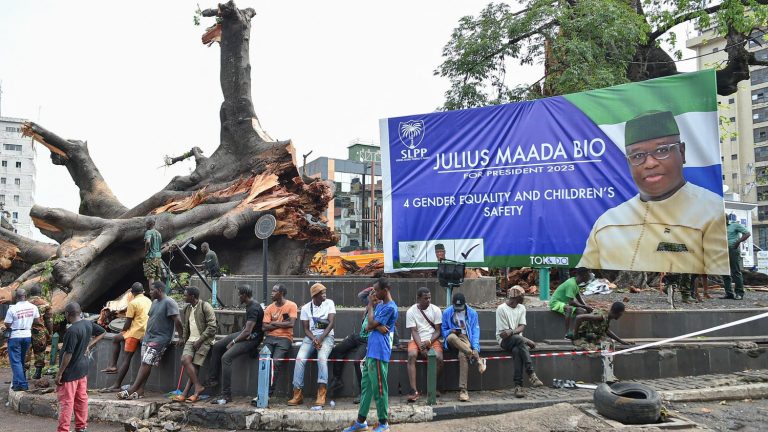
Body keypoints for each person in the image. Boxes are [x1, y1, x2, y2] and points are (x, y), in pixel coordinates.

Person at [578, 110, 729, 274]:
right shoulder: (606, 222)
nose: (649, 163)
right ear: (628, 163)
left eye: (662, 150)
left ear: (682, 152)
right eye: (638, 155)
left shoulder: (711, 212)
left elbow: (717, 280)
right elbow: (586, 276)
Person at [343, 278, 398, 432]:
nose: (373, 293)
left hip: (380, 352)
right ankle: (361, 421)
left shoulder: (390, 308)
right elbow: (369, 326)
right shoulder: (380, 305)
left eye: (376, 290)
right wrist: (376, 324)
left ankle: (383, 423)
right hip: (372, 351)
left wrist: (371, 308)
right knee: (366, 388)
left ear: (385, 290)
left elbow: (369, 325)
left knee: (380, 388)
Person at [118, 281, 182, 400]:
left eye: (152, 290)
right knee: (145, 363)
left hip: (160, 338)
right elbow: (151, 319)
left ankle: (132, 389)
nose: (150, 292)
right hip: (148, 337)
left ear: (159, 290)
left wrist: (182, 337)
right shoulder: (154, 302)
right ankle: (141, 390)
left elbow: (177, 320)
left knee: (146, 362)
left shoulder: (169, 302)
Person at [206, 284, 263, 404]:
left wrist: (233, 341)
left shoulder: (254, 308)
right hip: (244, 334)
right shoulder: (249, 305)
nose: (238, 297)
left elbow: (248, 331)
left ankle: (226, 396)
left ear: (244, 295)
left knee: (226, 357)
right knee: (217, 346)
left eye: (239, 295)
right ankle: (213, 380)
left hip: (251, 339)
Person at [55, 302, 105, 432]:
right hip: (82, 369)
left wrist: (60, 373)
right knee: (81, 399)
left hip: (70, 372)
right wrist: (89, 344)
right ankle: (81, 427)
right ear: (79, 312)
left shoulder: (72, 330)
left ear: (67, 314)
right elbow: (102, 332)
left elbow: (68, 354)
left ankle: (63, 429)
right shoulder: (87, 324)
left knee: (67, 402)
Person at [288, 283, 336, 407]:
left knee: (321, 358)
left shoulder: (329, 303)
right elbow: (305, 329)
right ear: (315, 295)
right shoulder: (305, 308)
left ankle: (321, 392)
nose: (325, 294)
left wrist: (320, 338)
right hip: (311, 337)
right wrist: (314, 339)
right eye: (322, 293)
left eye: (325, 292)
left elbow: (331, 323)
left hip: (326, 336)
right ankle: (297, 394)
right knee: (299, 359)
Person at [101, 282, 152, 392]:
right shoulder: (148, 300)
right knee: (116, 339)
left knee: (126, 358)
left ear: (132, 293)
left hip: (134, 333)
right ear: (143, 291)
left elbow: (128, 322)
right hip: (145, 331)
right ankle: (113, 366)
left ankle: (116, 382)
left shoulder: (133, 303)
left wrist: (123, 330)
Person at [328, 287, 375, 403]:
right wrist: (372, 288)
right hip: (359, 336)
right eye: (370, 295)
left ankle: (362, 392)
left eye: (373, 296)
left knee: (357, 362)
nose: (370, 297)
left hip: (369, 341)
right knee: (337, 350)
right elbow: (360, 295)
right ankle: (337, 379)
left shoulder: (380, 307)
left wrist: (397, 342)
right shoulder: (368, 302)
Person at [496, 286, 543, 398]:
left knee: (517, 350)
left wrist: (513, 332)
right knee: (519, 341)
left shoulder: (521, 308)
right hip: (504, 341)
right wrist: (526, 340)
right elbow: (504, 334)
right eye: (522, 297)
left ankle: (518, 386)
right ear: (516, 298)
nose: (523, 299)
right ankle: (531, 373)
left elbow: (521, 327)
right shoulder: (501, 309)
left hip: (517, 341)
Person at [441, 292, 486, 402]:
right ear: (452, 305)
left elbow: (475, 331)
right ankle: (476, 358)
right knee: (451, 337)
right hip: (452, 337)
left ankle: (463, 390)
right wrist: (449, 331)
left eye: (460, 307)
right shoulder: (447, 312)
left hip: (465, 338)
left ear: (465, 304)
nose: (459, 310)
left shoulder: (472, 313)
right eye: (456, 308)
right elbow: (443, 330)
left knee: (463, 354)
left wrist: (475, 348)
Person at [175, 286, 217, 402]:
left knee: (195, 366)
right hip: (190, 340)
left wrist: (200, 340)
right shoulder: (187, 308)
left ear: (192, 296)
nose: (183, 297)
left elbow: (212, 327)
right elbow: (185, 326)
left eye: (185, 295)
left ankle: (188, 393)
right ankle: (198, 386)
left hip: (204, 340)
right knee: (185, 360)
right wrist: (183, 339)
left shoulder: (205, 306)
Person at [257, 283, 297, 398]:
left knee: (275, 362)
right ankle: (261, 391)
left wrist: (273, 323)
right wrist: (282, 324)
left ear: (281, 293)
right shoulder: (269, 308)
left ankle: (268, 393)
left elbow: (291, 324)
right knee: (264, 361)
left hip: (285, 338)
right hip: (270, 338)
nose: (272, 293)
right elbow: (264, 327)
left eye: (274, 291)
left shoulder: (291, 305)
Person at [405, 287, 443, 402]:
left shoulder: (436, 310)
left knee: (439, 358)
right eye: (425, 298)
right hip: (416, 339)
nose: (429, 300)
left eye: (430, 297)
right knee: (411, 355)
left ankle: (432, 387)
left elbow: (438, 331)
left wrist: (429, 342)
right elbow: (414, 331)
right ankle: (414, 390)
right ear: (418, 299)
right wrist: (421, 346)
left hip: (431, 338)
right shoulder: (411, 311)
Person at [3, 288, 40, 391]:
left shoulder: (12, 309)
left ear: (16, 298)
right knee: (20, 361)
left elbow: (7, 323)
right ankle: (16, 384)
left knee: (15, 362)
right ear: (26, 296)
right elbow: (37, 320)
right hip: (27, 335)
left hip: (15, 336)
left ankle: (23, 384)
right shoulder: (33, 307)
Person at [550, 267, 593, 338]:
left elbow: (578, 296)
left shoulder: (575, 283)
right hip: (555, 303)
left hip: (563, 304)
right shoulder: (571, 284)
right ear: (584, 275)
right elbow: (571, 302)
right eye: (588, 275)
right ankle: (567, 333)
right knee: (569, 308)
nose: (589, 277)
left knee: (582, 312)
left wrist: (586, 307)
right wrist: (585, 306)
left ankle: (581, 332)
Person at [27, 283, 53, 380]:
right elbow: (49, 320)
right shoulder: (45, 304)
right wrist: (50, 333)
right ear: (40, 293)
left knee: (26, 351)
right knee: (40, 351)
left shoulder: (25, 303)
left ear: (30, 293)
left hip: (26, 331)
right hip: (39, 332)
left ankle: (25, 374)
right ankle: (37, 373)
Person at [722, 215, 751, 300]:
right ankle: (729, 293)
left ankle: (739, 293)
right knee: (724, 272)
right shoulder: (718, 228)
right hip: (721, 251)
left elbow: (747, 233)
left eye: (724, 219)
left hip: (732, 249)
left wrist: (738, 241)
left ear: (727, 219)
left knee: (735, 271)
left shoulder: (734, 225)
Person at [195, 242, 222, 307]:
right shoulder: (211, 252)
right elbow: (207, 264)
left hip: (215, 273)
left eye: (202, 248)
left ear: (205, 247)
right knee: (214, 288)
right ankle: (214, 303)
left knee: (214, 289)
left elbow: (206, 266)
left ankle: (214, 303)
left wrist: (195, 266)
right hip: (215, 272)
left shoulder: (209, 254)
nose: (201, 249)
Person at [143, 218, 163, 287]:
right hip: (158, 256)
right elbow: (160, 246)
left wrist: (145, 253)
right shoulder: (159, 234)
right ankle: (159, 295)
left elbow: (148, 241)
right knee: (157, 276)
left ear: (149, 224)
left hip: (151, 256)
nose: (146, 225)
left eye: (146, 224)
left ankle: (152, 294)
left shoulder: (148, 232)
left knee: (151, 276)